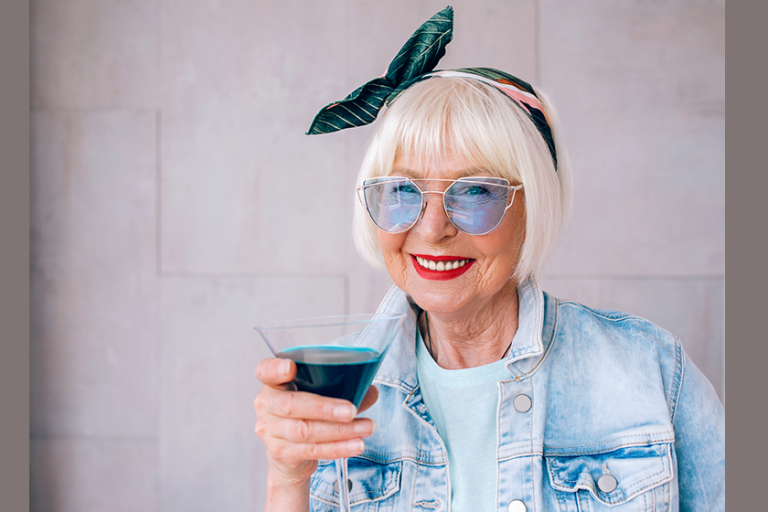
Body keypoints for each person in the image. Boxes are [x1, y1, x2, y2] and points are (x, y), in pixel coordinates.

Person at [253, 7, 724, 512]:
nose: (432, 229)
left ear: (534, 205)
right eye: (403, 191)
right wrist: (287, 479)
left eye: (475, 191)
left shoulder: (652, 371)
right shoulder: (329, 399)